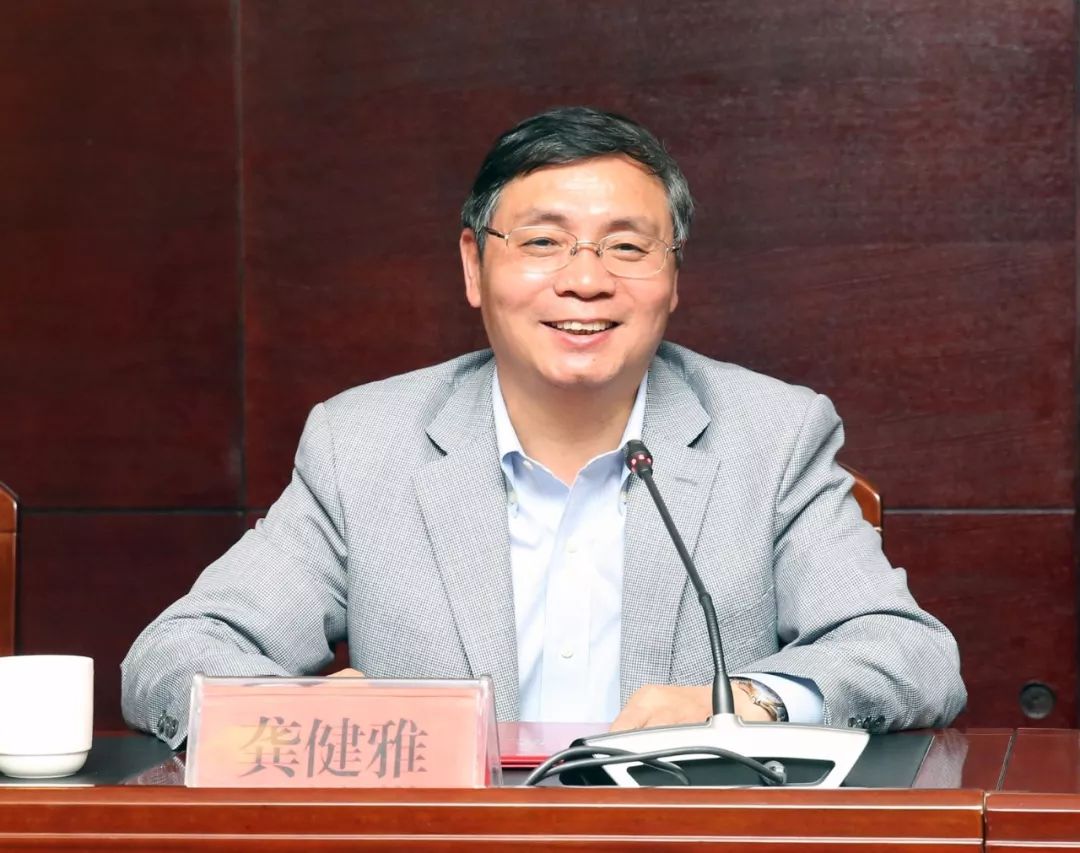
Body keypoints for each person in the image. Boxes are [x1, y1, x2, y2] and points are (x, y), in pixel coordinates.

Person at [122, 107, 966, 748]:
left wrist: (743, 702)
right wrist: (298, 712)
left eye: (626, 247)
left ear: (674, 278)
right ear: (473, 266)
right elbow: (176, 652)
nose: (585, 280)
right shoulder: (363, 444)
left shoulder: (771, 435)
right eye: (542, 242)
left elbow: (907, 650)